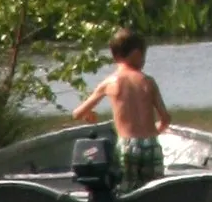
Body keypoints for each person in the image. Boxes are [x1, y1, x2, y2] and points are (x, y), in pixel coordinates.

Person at [71, 27, 170, 190]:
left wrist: (89, 114)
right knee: (154, 191)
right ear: (137, 54)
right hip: (151, 143)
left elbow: (77, 113)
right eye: (143, 56)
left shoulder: (110, 82)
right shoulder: (148, 81)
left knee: (125, 190)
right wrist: (153, 133)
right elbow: (165, 118)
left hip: (127, 146)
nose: (144, 61)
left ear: (115, 56)